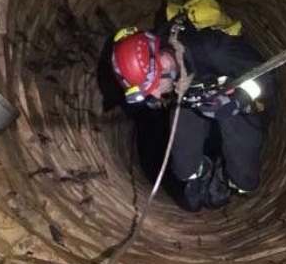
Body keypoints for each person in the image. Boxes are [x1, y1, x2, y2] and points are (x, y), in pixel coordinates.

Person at [110, 17, 273, 212]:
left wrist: (237, 100)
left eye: (153, 86)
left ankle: (225, 176)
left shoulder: (214, 50)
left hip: (234, 99)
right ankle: (201, 173)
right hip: (191, 96)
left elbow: (267, 76)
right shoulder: (165, 63)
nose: (155, 94)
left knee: (245, 179)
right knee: (184, 168)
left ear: (163, 62)